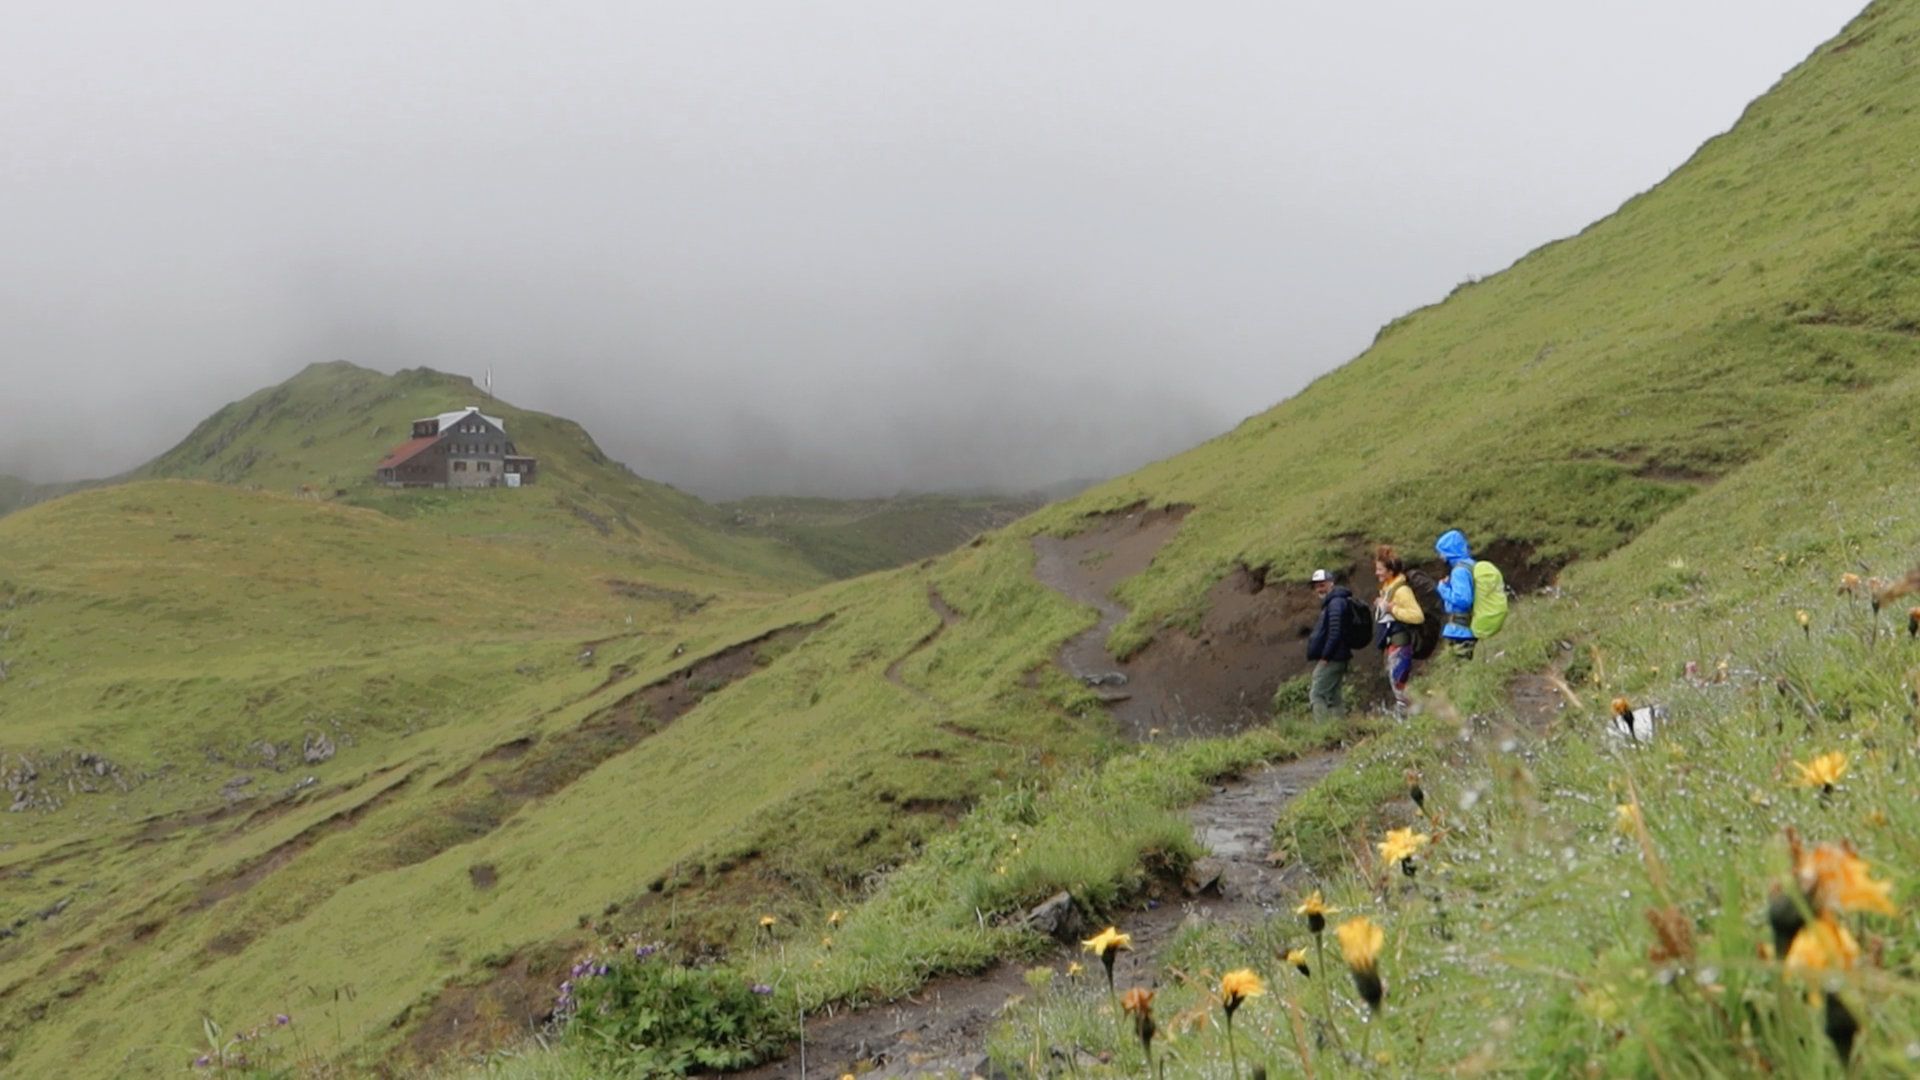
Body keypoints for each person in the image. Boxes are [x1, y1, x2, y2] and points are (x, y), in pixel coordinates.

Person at [1372, 546, 1425, 716]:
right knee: (1397, 686)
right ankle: (1411, 718)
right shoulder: (1388, 589)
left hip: (1400, 646)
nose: (1376, 573)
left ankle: (1413, 718)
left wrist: (1392, 609)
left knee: (1400, 686)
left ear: (1390, 570)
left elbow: (1417, 616)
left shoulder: (1402, 590)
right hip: (1391, 646)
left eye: (1380, 569)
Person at [1304, 568, 1360, 720]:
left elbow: (1335, 633)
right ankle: (1339, 729)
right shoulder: (1336, 601)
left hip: (1334, 657)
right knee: (1334, 697)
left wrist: (1325, 657)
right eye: (1316, 586)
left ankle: (1323, 732)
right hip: (1340, 655)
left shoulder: (1335, 603)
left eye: (1322, 585)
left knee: (1317, 694)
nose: (1319, 589)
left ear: (1331, 583)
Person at [1435, 529, 1477, 659]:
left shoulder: (1459, 571)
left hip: (1460, 630)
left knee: (1458, 666)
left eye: (1442, 553)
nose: (1441, 557)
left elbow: (1463, 600)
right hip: (1469, 626)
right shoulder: (1471, 565)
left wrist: (1443, 589)